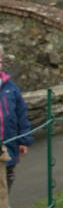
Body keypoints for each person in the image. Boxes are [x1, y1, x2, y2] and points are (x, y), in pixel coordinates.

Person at [0, 46, 33, 192]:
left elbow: (20, 114)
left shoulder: (10, 88)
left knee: (7, 179)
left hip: (9, 145)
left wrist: (23, 140)